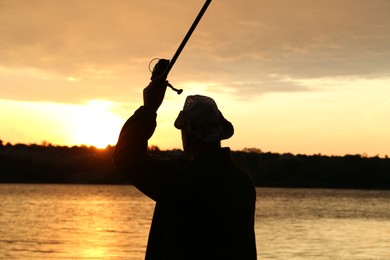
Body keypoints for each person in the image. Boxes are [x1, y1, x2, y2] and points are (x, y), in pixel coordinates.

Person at [113, 60, 257, 260]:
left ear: (187, 133)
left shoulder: (183, 179)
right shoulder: (242, 179)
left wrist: (149, 108)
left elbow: (126, 157)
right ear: (218, 134)